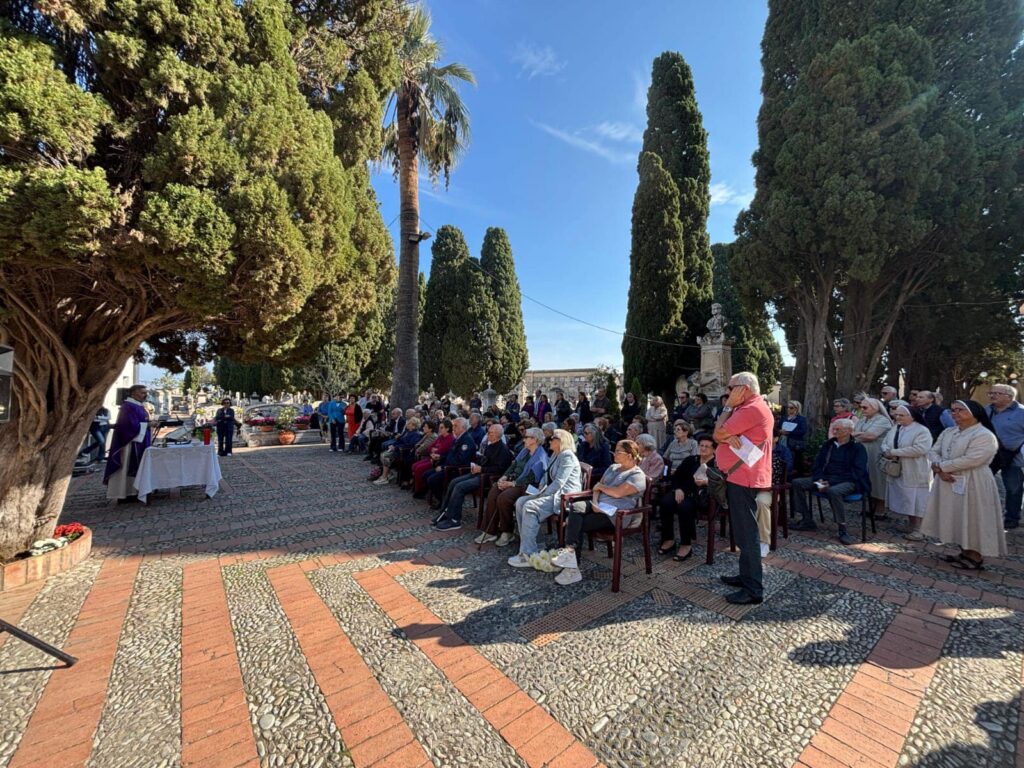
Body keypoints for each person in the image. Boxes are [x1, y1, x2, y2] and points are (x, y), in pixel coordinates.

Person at [921, 399, 1005, 569]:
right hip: (948, 480)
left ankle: (975, 556)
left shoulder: (984, 435)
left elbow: (973, 459)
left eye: (960, 410)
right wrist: (938, 467)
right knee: (957, 515)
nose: (955, 413)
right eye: (953, 410)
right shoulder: (949, 432)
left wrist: (942, 467)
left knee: (973, 516)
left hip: (974, 481)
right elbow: (933, 450)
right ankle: (964, 550)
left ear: (974, 413)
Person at [713, 372, 774, 604]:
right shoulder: (747, 407)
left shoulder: (750, 409)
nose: (728, 392)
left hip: (744, 477)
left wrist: (727, 408)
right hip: (741, 476)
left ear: (744, 389)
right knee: (742, 531)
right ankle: (746, 576)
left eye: (731, 388)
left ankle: (753, 589)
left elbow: (718, 433)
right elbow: (721, 435)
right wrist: (727, 436)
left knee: (747, 534)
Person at [552, 440, 647, 585]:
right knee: (576, 507)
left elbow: (617, 493)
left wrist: (601, 489)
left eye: (617, 452)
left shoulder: (637, 475)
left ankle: (571, 565)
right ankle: (570, 556)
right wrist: (595, 503)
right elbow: (596, 487)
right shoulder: (613, 468)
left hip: (616, 514)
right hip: (598, 504)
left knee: (574, 522)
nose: (614, 454)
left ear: (629, 455)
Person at [507, 429, 582, 567]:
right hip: (551, 492)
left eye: (553, 438)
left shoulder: (567, 456)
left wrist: (542, 495)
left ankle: (528, 554)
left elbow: (560, 482)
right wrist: (539, 490)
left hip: (564, 496)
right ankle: (534, 544)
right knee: (520, 502)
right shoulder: (555, 454)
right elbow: (546, 476)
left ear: (561, 441)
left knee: (530, 506)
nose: (550, 440)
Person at [791, 419, 870, 545]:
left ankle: (842, 529)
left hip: (849, 481)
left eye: (838, 429)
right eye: (834, 428)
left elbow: (857, 472)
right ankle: (807, 519)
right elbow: (817, 465)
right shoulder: (829, 445)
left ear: (849, 431)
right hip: (825, 479)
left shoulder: (857, 448)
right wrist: (820, 480)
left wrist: (830, 482)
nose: (835, 431)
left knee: (834, 491)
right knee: (797, 483)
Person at [476, 427, 549, 546]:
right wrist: (504, 477)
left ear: (534, 440)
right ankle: (490, 531)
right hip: (513, 480)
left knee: (504, 497)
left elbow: (531, 478)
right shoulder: (524, 452)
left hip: (527, 486)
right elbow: (513, 466)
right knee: (494, 491)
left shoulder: (540, 457)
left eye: (526, 437)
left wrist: (512, 484)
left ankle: (507, 531)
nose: (523, 439)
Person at [435, 424, 513, 530]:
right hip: (479, 473)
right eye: (488, 432)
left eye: (490, 433)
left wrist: (482, 469)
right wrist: (477, 466)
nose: (488, 434)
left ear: (497, 435)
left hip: (487, 478)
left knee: (460, 486)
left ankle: (454, 519)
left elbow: (500, 469)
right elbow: (485, 461)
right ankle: (445, 512)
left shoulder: (503, 450)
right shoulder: (490, 446)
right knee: (454, 482)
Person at [880, 404, 933, 540]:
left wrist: (893, 452)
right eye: (896, 414)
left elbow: (920, 449)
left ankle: (919, 529)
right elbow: (885, 442)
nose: (897, 417)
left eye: (901, 415)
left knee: (917, 499)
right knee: (906, 498)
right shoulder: (896, 428)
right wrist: (886, 450)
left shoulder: (922, 430)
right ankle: (911, 524)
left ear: (912, 416)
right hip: (898, 468)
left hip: (915, 470)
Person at [659, 434, 716, 560]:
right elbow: (677, 476)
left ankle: (686, 544)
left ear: (714, 449)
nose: (703, 449)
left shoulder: (716, 464)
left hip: (701, 497)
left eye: (707, 446)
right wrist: (678, 489)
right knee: (665, 502)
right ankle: (668, 539)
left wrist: (706, 483)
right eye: (701, 445)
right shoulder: (691, 460)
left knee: (684, 507)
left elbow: (721, 483)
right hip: (682, 492)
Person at [104, 385, 154, 502]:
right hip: (129, 443)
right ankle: (126, 493)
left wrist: (149, 423)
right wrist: (148, 424)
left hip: (139, 442)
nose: (145, 395)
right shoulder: (128, 407)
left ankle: (135, 491)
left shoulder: (138, 405)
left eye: (145, 392)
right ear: (133, 393)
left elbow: (141, 421)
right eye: (142, 393)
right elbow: (128, 426)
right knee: (127, 466)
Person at [986, 384, 1024, 530]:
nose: (992, 396)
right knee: (982, 484)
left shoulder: (1021, 413)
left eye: (996, 393)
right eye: (991, 393)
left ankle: (1012, 518)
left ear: (1009, 396)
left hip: (1013, 456)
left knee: (1013, 488)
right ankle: (985, 514)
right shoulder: (988, 410)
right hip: (989, 455)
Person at [853, 397, 893, 518]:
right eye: (861, 407)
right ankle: (870, 507)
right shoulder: (863, 419)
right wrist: (858, 434)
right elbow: (854, 432)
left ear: (875, 408)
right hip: (863, 453)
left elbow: (871, 435)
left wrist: (856, 435)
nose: (862, 409)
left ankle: (880, 510)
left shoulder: (882, 420)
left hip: (876, 453)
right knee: (868, 478)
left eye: (865, 407)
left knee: (878, 480)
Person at [424, 417, 475, 505]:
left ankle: (442, 501)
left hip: (456, 470)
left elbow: (460, 460)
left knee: (432, 479)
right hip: (448, 466)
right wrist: (440, 457)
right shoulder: (458, 438)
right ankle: (440, 496)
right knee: (426, 474)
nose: (453, 428)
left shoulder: (466, 440)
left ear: (462, 428)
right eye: (453, 425)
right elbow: (450, 454)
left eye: (455, 426)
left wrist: (443, 467)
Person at [412, 419, 454, 497]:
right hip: (432, 458)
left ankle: (421, 490)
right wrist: (433, 450)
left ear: (447, 429)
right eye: (439, 427)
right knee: (414, 466)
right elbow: (430, 448)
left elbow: (442, 451)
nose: (439, 429)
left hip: (439, 461)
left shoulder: (450, 439)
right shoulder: (440, 437)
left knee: (419, 469)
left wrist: (435, 450)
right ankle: (418, 488)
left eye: (442, 428)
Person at [375, 418, 423, 485]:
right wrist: (393, 445)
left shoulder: (416, 434)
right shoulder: (407, 431)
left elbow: (410, 445)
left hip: (404, 453)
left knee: (385, 456)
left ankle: (385, 477)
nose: (407, 424)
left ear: (414, 426)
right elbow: (399, 440)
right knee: (383, 454)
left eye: (409, 423)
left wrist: (396, 447)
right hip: (398, 449)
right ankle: (388, 474)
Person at [780, 400, 808, 474]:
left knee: (795, 460)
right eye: (788, 407)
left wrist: (790, 432)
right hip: (783, 440)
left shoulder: (801, 419)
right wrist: (780, 431)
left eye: (791, 408)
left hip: (795, 443)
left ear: (797, 408)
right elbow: (779, 427)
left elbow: (803, 431)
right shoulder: (784, 418)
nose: (789, 409)